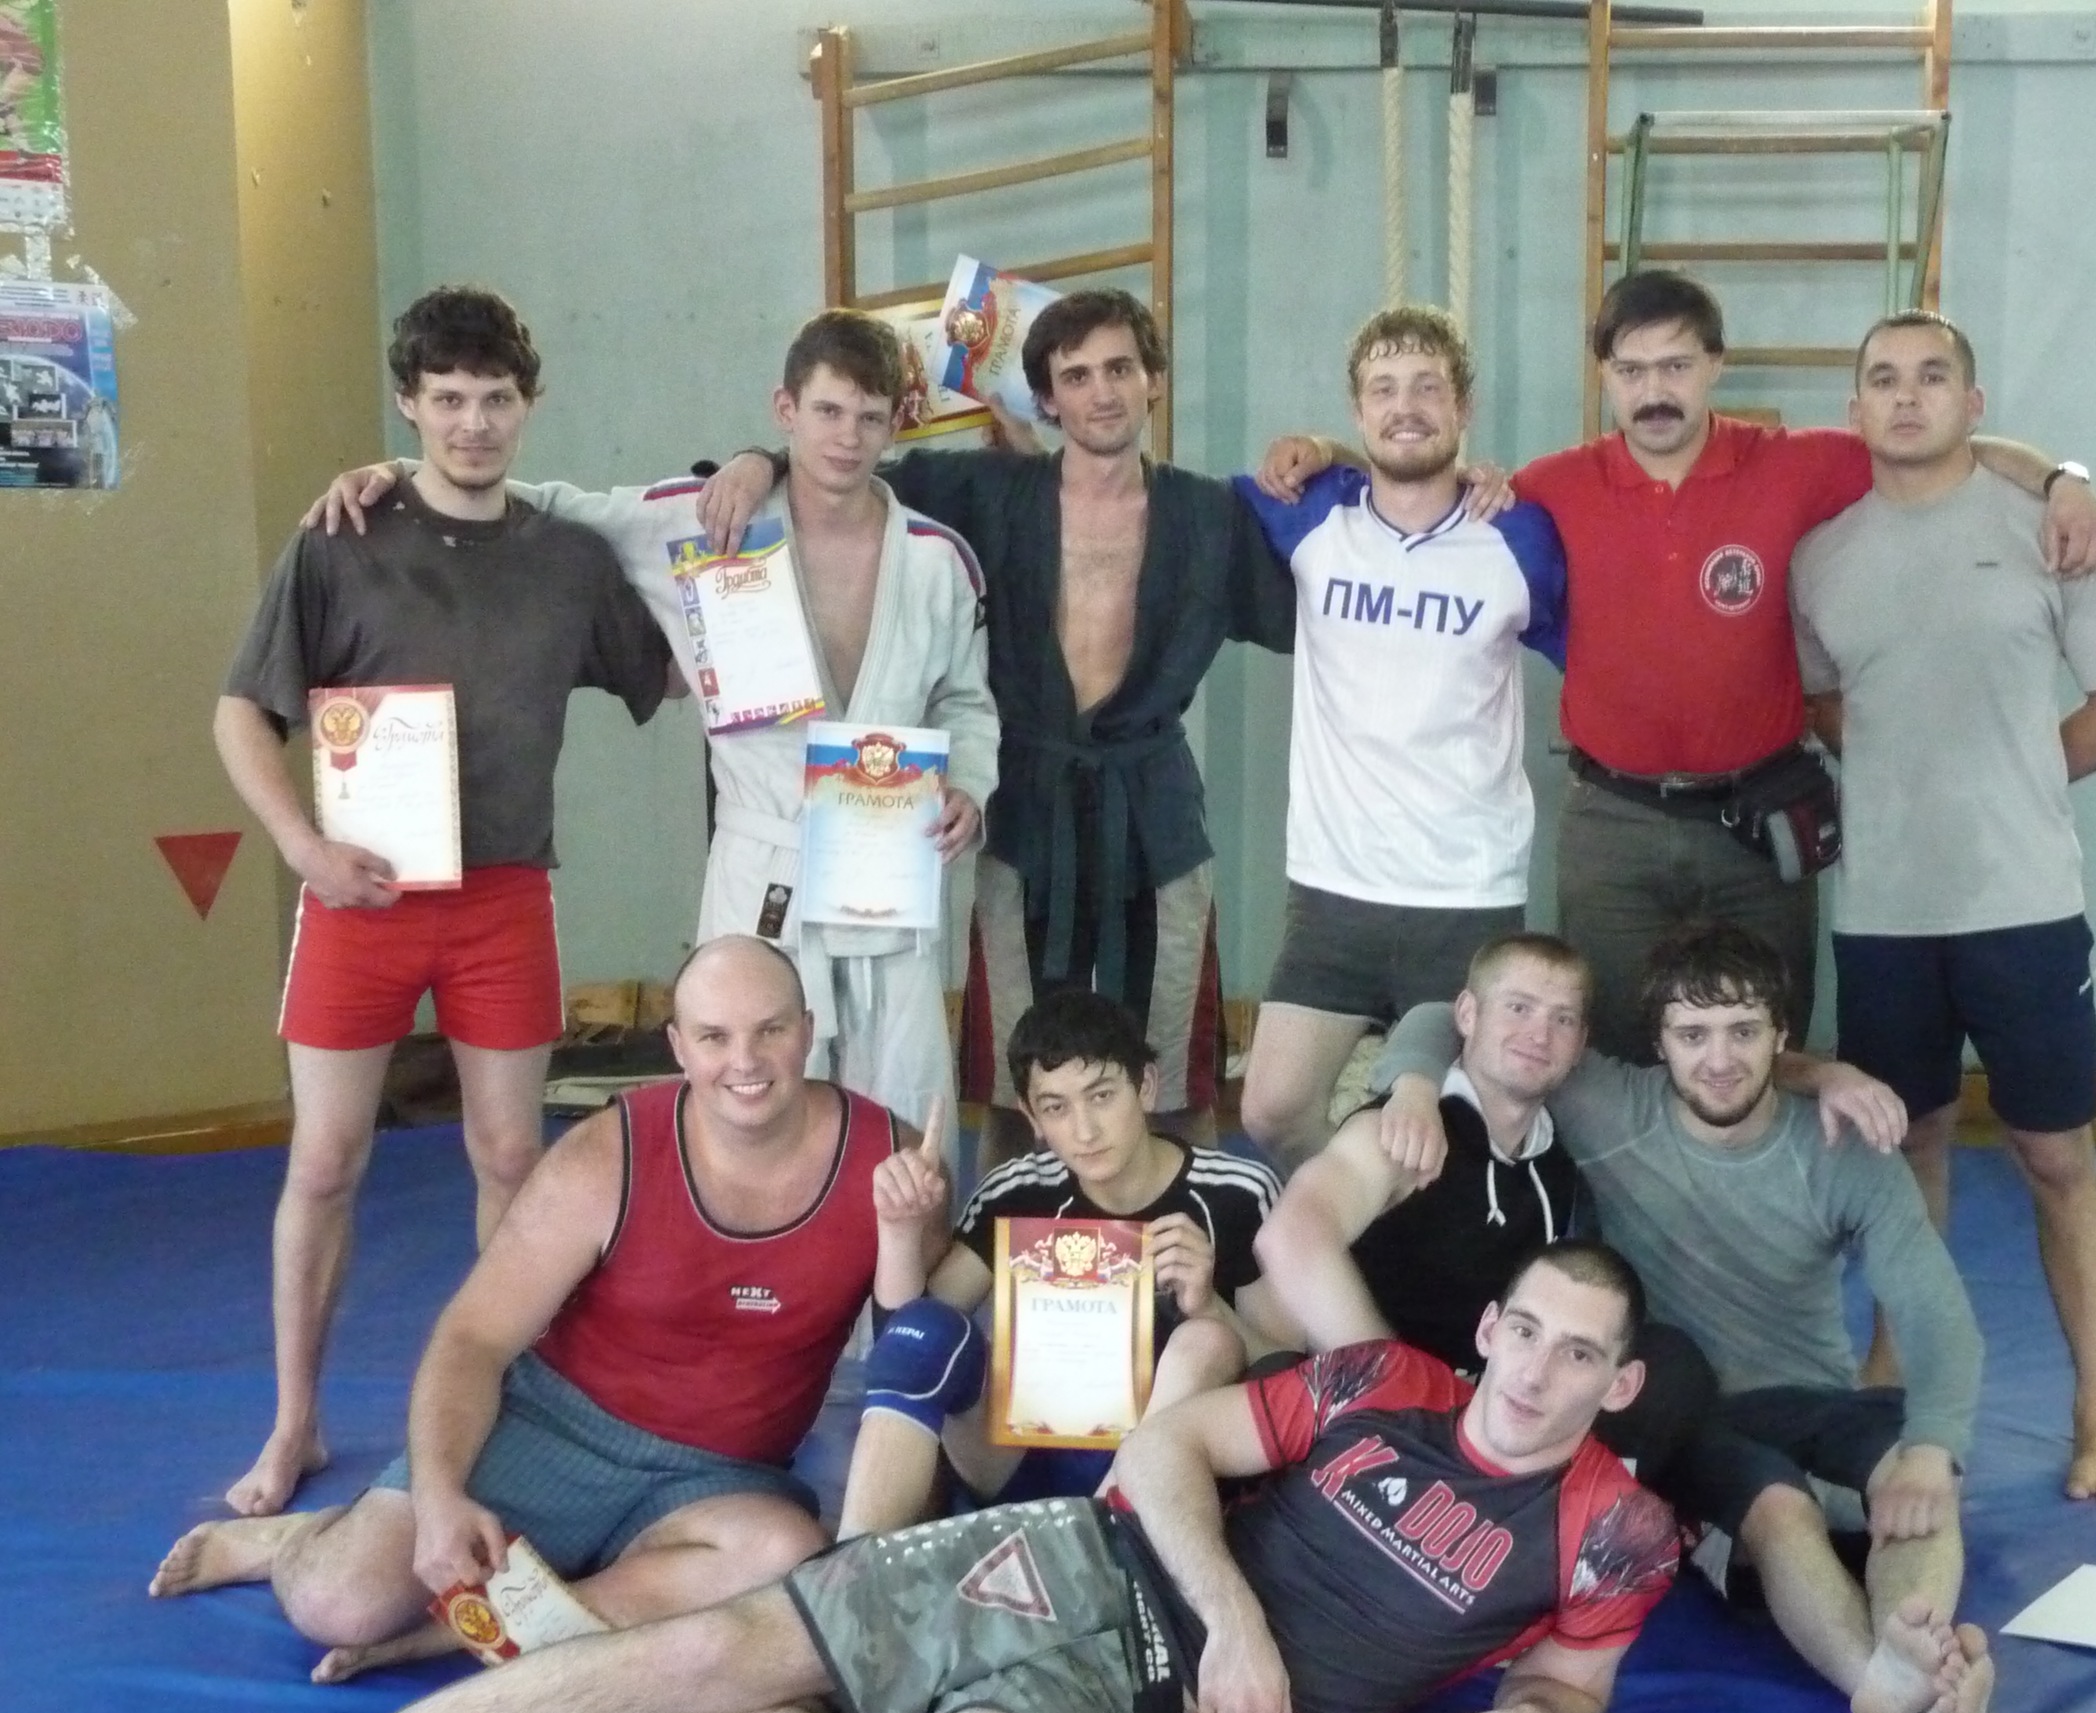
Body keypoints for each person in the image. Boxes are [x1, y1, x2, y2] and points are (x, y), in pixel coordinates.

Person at [134, 1248, 1863, 1713]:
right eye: (1527, 1335)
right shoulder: (1376, 1385)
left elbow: (1571, 1682)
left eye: (1580, 1357)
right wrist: (1237, 1621)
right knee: (693, 1655)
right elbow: (1165, 1453)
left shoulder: (1615, 1529)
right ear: (1490, 1327)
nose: (1538, 1374)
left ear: (1618, 1384)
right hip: (1072, 1565)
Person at [1262, 268, 2096, 1054]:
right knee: (1609, 1056)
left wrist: (2062, 480)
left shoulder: (1796, 466)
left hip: (1757, 826)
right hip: (1613, 826)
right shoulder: (1550, 488)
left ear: (1716, 364)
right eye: (1632, 371)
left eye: (1675, 367)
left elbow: (1936, 446)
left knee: (1762, 1051)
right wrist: (1330, 450)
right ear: (1606, 377)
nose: (1654, 392)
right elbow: (1411, 474)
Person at [148, 937, 947, 1683]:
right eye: (715, 1037)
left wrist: (906, 1232)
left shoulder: (891, 1157)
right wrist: (439, 1499)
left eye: (769, 1030)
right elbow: (473, 1337)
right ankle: (292, 1540)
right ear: (678, 1046)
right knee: (338, 1603)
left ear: (807, 1030)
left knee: (784, 1562)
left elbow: (915, 1365)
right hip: (556, 1429)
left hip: (721, 1476)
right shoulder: (608, 1154)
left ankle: (452, 1632)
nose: (745, 1061)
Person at [305, 310, 995, 1158]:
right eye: (827, 412)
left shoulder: (939, 560)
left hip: (888, 862)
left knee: (906, 1105)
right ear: (785, 410)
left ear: (895, 426)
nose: (847, 438)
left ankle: (908, 1251)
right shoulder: (699, 520)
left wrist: (971, 785)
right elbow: (539, 505)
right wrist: (403, 473)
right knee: (752, 1098)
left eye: (869, 417)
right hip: (763, 862)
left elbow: (967, 702)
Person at [211, 286, 671, 1518]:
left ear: (529, 405)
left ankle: (510, 1405)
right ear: (408, 404)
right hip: (356, 897)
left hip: (503, 897)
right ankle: (294, 1422)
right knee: (324, 1160)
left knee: (511, 1154)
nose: (474, 423)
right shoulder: (340, 537)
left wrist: (770, 570)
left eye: (496, 399)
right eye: (450, 399)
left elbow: (678, 671)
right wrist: (302, 847)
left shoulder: (569, 560)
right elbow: (241, 715)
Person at [1369, 926, 2010, 1713]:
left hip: (1811, 1398)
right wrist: (1411, 1086)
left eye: (1744, 1032)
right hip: (1688, 1413)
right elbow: (1438, 1016)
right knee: (1779, 1509)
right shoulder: (1612, 1106)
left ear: (1781, 1037)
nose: (1719, 1060)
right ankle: (1901, 1696)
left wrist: (1933, 1445)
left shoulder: (1840, 1150)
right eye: (1692, 1034)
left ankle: (1916, 1675)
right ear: (1658, 1043)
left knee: (1919, 1468)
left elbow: (1936, 1311)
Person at [703, 289, 1298, 1152]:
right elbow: (840, 470)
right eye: (1076, 376)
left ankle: (1196, 1228)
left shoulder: (1212, 514)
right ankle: (1005, 1230)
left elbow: (1331, 574)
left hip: (1155, 810)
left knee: (1172, 1067)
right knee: (1017, 1074)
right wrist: (756, 464)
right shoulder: (986, 492)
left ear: (1155, 380)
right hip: (1025, 803)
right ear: (1045, 398)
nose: (1102, 392)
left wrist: (1328, 454)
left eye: (1120, 369)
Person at [1793, 311, 2096, 1505]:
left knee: (2055, 1155)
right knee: (1908, 1149)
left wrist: (2014, 776)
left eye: (1931, 376)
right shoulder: (1820, 557)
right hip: (1884, 912)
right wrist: (1908, 773)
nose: (1906, 397)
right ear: (1855, 408)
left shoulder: (2051, 525)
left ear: (1972, 400)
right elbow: (1827, 705)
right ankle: (1895, 1363)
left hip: (2022, 905)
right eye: (1882, 379)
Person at [1227, 306, 1566, 1171]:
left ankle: (1421, 1237)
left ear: (1464, 407)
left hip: (1466, 890)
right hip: (1334, 888)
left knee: (1465, 1134)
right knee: (1270, 1110)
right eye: (1383, 389)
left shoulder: (1518, 537)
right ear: (1358, 409)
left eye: (1427, 388)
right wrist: (1320, 450)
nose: (1405, 406)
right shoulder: (1312, 515)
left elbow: (1605, 662)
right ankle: (1369, 1225)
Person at [1254, 930, 1720, 1494]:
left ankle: (1568, 1509)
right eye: (1518, 1008)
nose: (1539, 1035)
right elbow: (1291, 1238)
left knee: (1668, 1368)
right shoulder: (1404, 1130)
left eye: (1562, 1019)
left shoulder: (1556, 1159)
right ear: (1469, 1015)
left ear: (1580, 1043)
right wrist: (1395, 1385)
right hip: (1377, 1407)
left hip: (1490, 1406)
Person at [840, 988, 1294, 1540]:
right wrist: (899, 1229)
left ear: (1145, 1087)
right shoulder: (1017, 1191)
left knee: (1208, 1342)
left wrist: (1209, 1305)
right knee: (932, 1328)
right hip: (1017, 1458)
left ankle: (1095, 1540)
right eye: (1056, 1107)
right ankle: (848, 1564)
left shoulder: (1236, 1192)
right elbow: (907, 1348)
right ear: (1031, 1115)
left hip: (1153, 1477)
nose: (1084, 1131)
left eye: (1101, 1096)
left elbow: (1292, 1371)